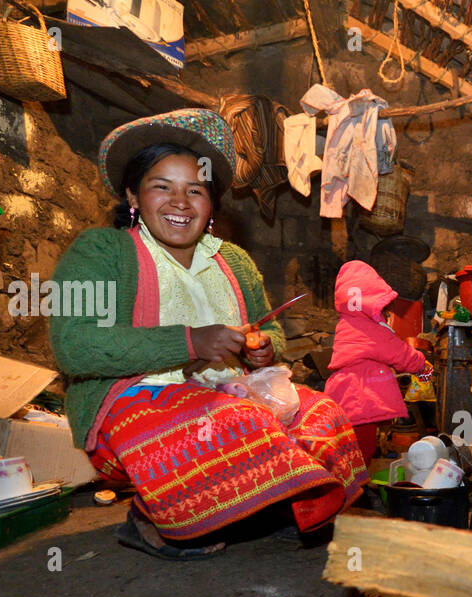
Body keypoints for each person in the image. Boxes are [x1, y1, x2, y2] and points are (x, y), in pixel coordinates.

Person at [49, 109, 368, 559]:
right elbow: (74, 345)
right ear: (132, 195)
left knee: (323, 413)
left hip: (227, 390)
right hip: (132, 401)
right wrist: (191, 342)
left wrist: (263, 348)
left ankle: (272, 510)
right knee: (238, 423)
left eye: (195, 190)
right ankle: (153, 519)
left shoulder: (232, 260)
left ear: (211, 204)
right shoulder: (102, 250)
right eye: (162, 186)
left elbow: (267, 324)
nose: (181, 202)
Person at [324, 261, 434, 463]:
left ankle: (352, 486)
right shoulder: (372, 330)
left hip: (345, 395)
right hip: (360, 399)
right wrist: (422, 365)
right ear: (371, 300)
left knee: (349, 451)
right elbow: (399, 353)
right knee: (362, 451)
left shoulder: (346, 323)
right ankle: (356, 490)